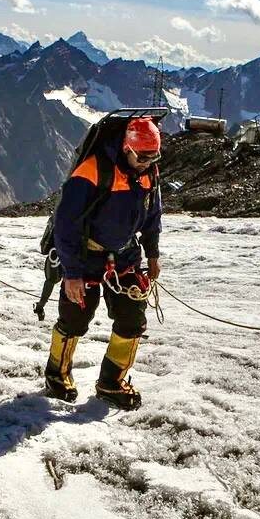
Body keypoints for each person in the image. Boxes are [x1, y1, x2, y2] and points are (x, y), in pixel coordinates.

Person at [42, 117, 163, 410]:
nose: (148, 162)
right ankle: (57, 376)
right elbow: (66, 225)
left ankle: (111, 383)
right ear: (126, 147)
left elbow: (152, 215)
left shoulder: (148, 173)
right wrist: (71, 274)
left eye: (153, 156)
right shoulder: (92, 171)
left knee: (132, 320)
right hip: (85, 259)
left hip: (125, 257)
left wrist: (153, 254)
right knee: (74, 320)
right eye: (143, 156)